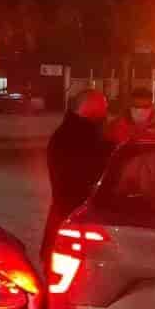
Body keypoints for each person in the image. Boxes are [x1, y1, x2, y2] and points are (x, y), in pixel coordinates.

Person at [42, 90, 112, 268]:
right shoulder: (76, 138)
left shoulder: (77, 133)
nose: (107, 109)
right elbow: (82, 178)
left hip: (64, 218)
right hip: (72, 221)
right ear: (89, 107)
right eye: (103, 105)